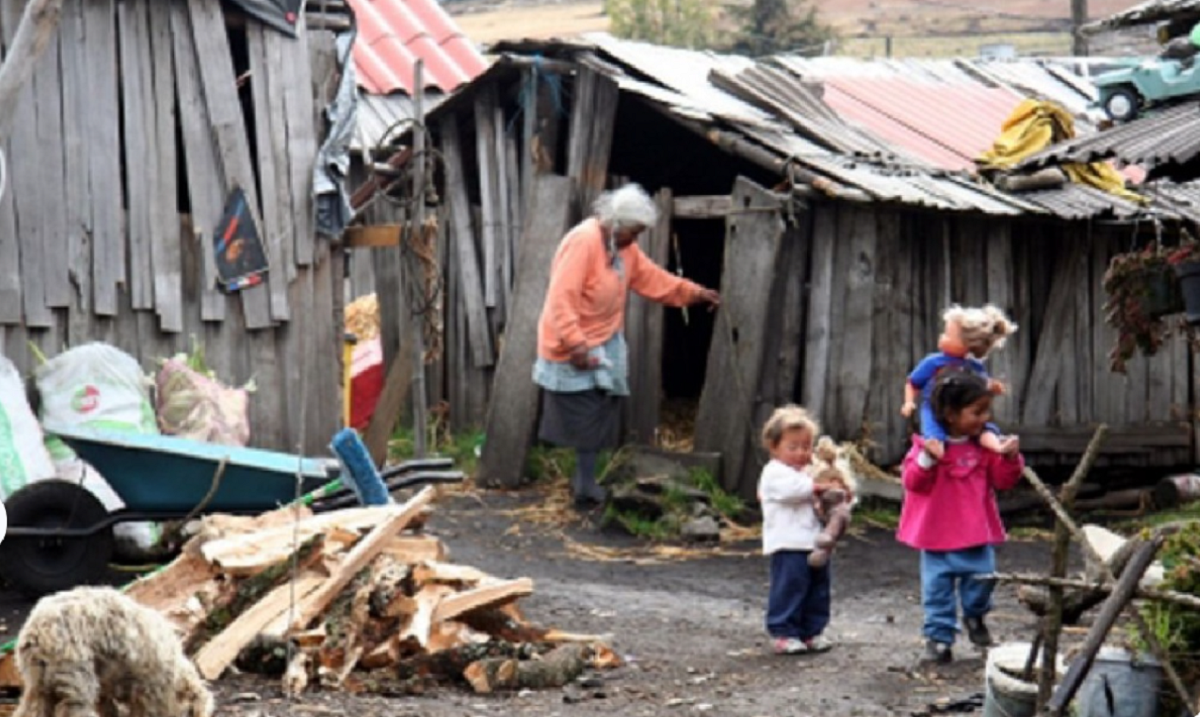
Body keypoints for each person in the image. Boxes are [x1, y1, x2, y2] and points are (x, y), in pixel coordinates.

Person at [533, 183, 720, 509]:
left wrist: (694, 293)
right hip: (574, 341)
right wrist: (575, 343)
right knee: (585, 411)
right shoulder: (583, 241)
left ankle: (585, 481)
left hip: (604, 339)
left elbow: (652, 278)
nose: (637, 238)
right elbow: (561, 298)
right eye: (634, 231)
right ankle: (584, 483)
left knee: (601, 408)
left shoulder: (623, 248)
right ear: (617, 224)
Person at [896, 368, 1024, 664]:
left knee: (982, 582)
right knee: (937, 592)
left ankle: (975, 615)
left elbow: (1004, 481)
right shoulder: (926, 447)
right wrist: (928, 459)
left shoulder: (983, 448)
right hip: (936, 536)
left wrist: (1009, 457)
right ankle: (939, 639)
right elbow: (913, 483)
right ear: (951, 415)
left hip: (975, 535)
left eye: (986, 412)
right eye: (976, 412)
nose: (984, 419)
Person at [757, 405, 835, 655]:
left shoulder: (807, 473)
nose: (801, 453)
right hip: (788, 543)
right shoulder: (774, 473)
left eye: (806, 446)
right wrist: (818, 486)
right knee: (790, 586)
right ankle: (784, 631)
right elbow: (793, 491)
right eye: (793, 447)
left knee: (817, 587)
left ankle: (812, 630)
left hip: (813, 542)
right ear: (774, 446)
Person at [901, 303, 1018, 460]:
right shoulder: (934, 362)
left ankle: (998, 446)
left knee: (987, 429)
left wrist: (991, 387)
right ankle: (935, 454)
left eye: (947, 334)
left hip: (963, 414)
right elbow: (913, 383)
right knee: (933, 432)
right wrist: (908, 402)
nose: (941, 337)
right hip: (935, 409)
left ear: (968, 343)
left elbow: (979, 389)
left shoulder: (974, 367)